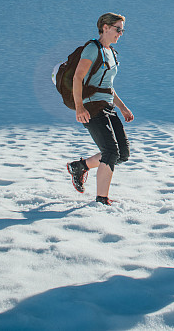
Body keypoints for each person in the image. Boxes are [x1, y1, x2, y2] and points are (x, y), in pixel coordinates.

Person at [66, 13, 134, 205]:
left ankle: (79, 167)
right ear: (105, 27)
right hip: (91, 106)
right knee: (110, 151)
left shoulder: (111, 53)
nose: (120, 33)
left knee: (122, 154)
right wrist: (79, 107)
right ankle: (101, 200)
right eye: (117, 29)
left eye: (122, 30)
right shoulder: (92, 49)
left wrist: (122, 107)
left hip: (108, 106)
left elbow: (107, 87)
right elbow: (77, 78)